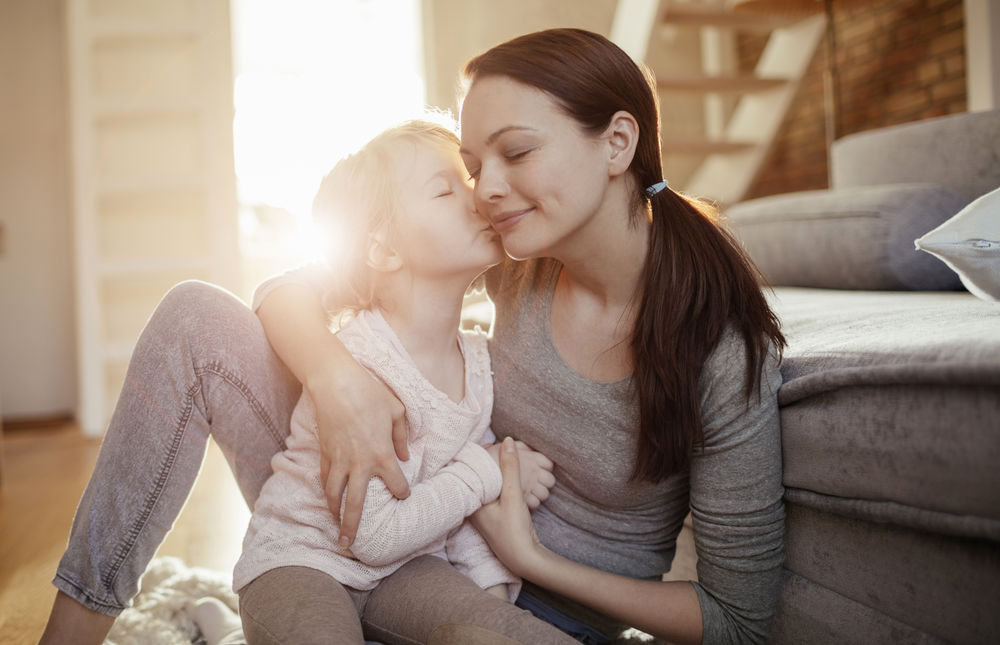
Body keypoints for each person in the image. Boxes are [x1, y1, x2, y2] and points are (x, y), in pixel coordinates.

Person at [41, 27, 785, 645]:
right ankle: (72, 630)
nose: (486, 188)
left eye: (515, 153)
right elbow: (293, 287)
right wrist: (338, 380)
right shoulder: (518, 259)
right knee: (195, 318)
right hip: (366, 524)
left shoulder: (724, 354)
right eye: (471, 165)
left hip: (499, 597)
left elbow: (738, 621)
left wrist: (529, 557)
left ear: (618, 141)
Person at [183, 120, 569, 645]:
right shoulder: (359, 360)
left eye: (469, 179)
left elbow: (461, 510)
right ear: (384, 250)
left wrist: (489, 592)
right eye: (444, 188)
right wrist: (489, 471)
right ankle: (229, 632)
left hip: (409, 570)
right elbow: (378, 533)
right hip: (304, 563)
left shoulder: (478, 361)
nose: (478, 197)